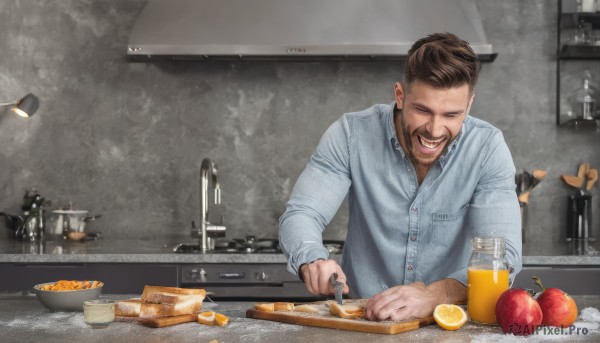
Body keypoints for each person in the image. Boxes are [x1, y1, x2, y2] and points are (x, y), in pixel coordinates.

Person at [279, 32, 522, 321]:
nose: (434, 130)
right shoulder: (351, 135)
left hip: (448, 323)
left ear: (468, 106)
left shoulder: (487, 149)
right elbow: (302, 213)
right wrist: (313, 258)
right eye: (422, 110)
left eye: (451, 115)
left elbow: (503, 257)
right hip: (364, 323)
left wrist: (434, 294)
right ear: (400, 95)